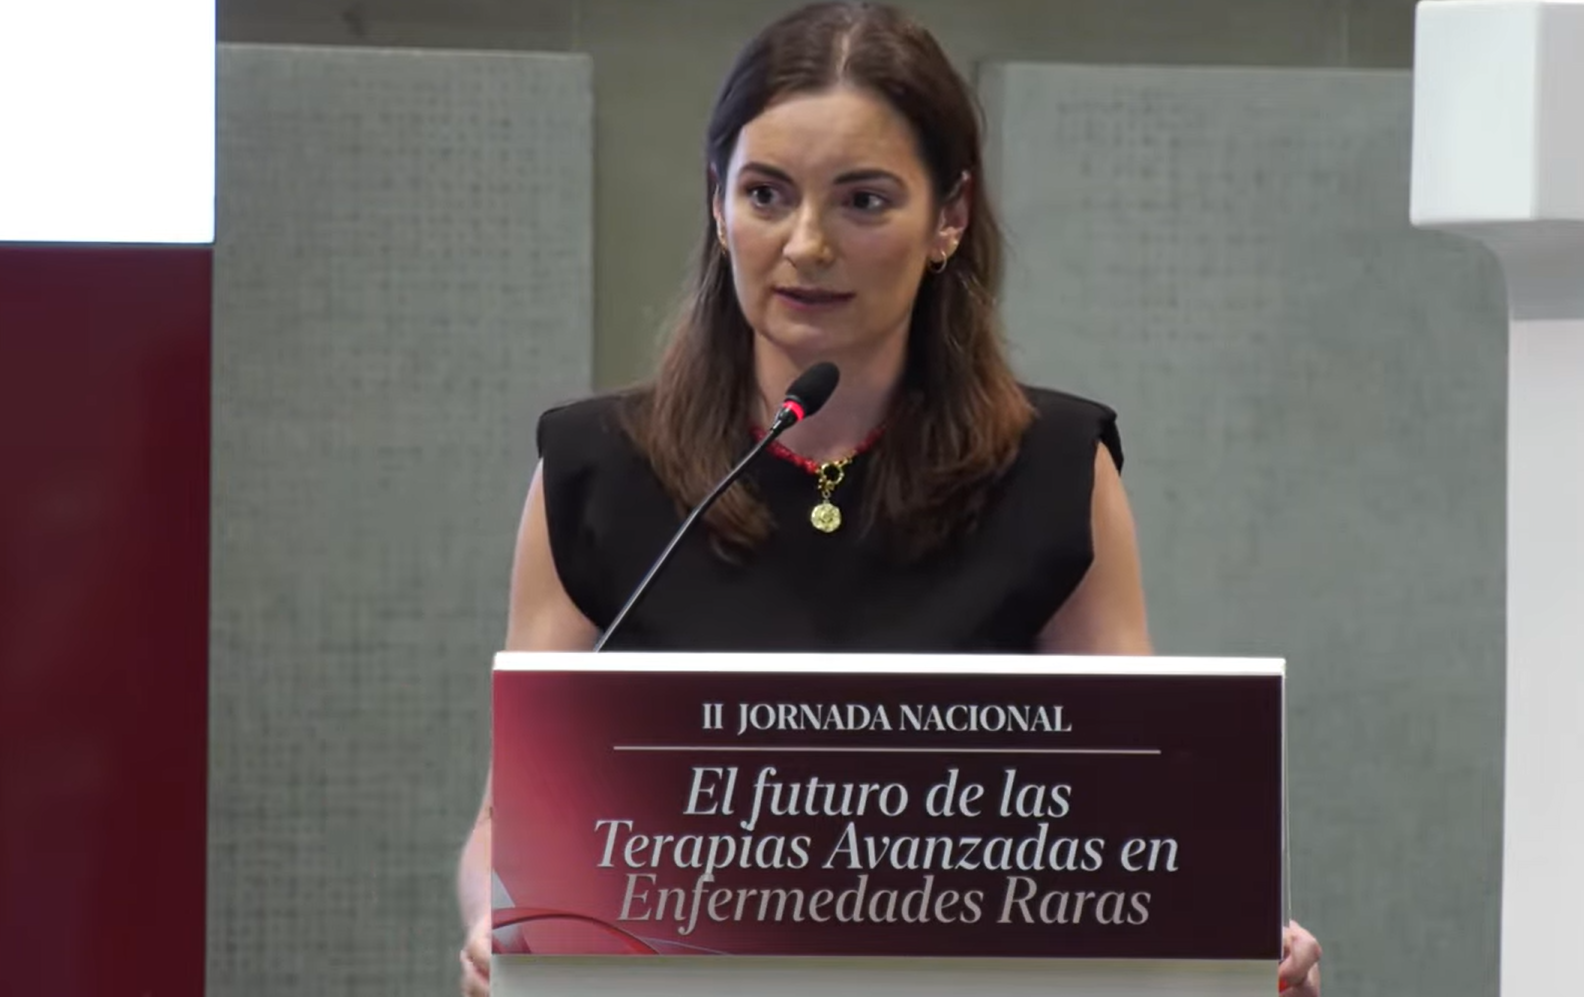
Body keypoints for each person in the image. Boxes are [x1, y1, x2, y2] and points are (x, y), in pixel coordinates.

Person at [456, 2, 1321, 993]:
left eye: (862, 201)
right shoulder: (596, 468)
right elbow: (509, 822)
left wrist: (1243, 928)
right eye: (767, 194)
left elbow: (1137, 814)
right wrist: (493, 916)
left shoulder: (1053, 468)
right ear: (716, 201)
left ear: (947, 217)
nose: (806, 243)